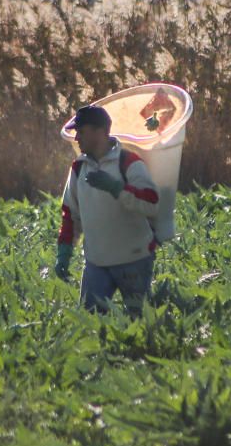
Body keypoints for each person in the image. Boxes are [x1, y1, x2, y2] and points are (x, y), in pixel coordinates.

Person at [55, 105, 160, 314]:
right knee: (90, 324)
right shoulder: (78, 169)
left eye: (81, 132)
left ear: (99, 132)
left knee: (139, 323)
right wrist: (64, 252)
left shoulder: (128, 162)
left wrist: (117, 188)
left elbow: (151, 203)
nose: (76, 138)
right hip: (96, 263)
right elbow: (70, 216)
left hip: (134, 260)